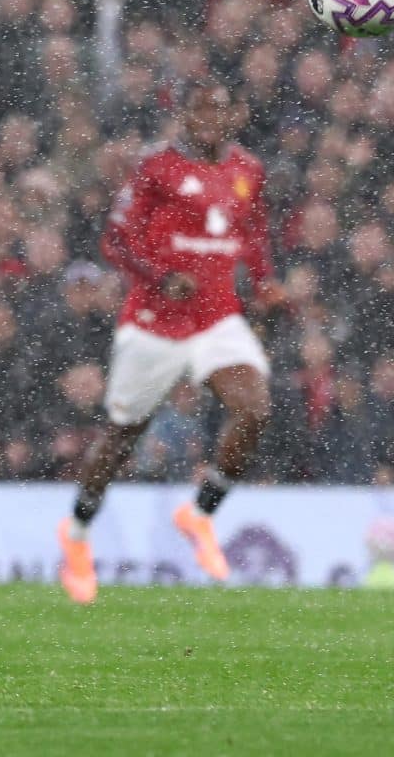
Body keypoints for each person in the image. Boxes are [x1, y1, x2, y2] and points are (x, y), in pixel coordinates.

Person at [56, 81, 286, 605]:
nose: (209, 117)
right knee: (123, 438)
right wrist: (160, 277)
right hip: (154, 322)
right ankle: (77, 533)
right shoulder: (156, 168)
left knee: (255, 409)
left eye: (219, 107)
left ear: (234, 115)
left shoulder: (247, 170)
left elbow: (253, 233)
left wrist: (265, 281)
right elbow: (115, 240)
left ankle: (199, 514)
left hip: (216, 318)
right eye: (200, 107)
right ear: (183, 115)